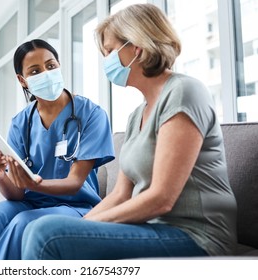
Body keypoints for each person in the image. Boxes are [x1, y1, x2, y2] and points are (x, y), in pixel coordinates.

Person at [21, 4, 237, 259]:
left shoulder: (183, 92)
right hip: (153, 228)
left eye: (110, 50)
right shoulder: (137, 116)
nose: (106, 61)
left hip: (198, 235)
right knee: (37, 228)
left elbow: (161, 199)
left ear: (137, 47)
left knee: (46, 233)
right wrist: (78, 226)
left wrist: (80, 227)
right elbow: (121, 194)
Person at [0, 39, 115, 260]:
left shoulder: (91, 114)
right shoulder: (21, 122)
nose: (46, 73)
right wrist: (0, 177)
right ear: (23, 80)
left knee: (23, 223)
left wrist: (33, 183)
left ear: (59, 66)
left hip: (77, 206)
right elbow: (17, 193)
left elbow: (75, 183)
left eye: (50, 66)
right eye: (35, 71)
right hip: (30, 203)